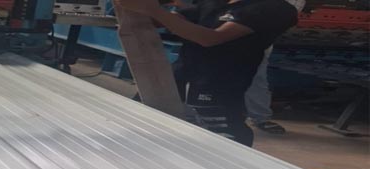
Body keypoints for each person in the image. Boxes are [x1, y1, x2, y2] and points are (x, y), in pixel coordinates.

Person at [117, 0, 298, 147]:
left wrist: (154, 10)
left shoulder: (274, 8)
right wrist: (137, 7)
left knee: (223, 142)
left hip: (218, 87)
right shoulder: (215, 3)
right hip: (178, 78)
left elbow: (210, 38)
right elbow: (172, 21)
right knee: (140, 123)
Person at [245, 0, 305, 134]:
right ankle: (199, 116)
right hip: (222, 30)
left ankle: (260, 117)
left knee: (256, 79)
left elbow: (286, 13)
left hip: (256, 39)